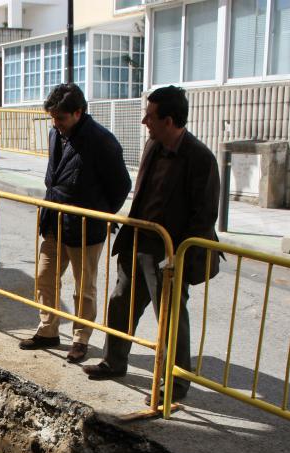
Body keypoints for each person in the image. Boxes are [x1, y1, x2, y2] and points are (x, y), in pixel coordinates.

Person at [82, 85, 220, 403]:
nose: (145, 120)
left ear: (169, 120)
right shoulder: (153, 146)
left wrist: (177, 257)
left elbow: (204, 217)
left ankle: (174, 385)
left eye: (150, 115)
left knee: (170, 319)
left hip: (169, 254)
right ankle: (114, 361)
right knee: (121, 303)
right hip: (138, 244)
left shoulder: (200, 159)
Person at [18, 83, 131, 364]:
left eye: (61, 118)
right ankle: (48, 330)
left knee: (85, 288)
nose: (56, 124)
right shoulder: (56, 134)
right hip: (55, 221)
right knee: (45, 278)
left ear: (78, 113)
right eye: (53, 118)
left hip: (86, 228)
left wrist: (98, 215)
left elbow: (121, 185)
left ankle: (80, 339)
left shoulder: (102, 141)